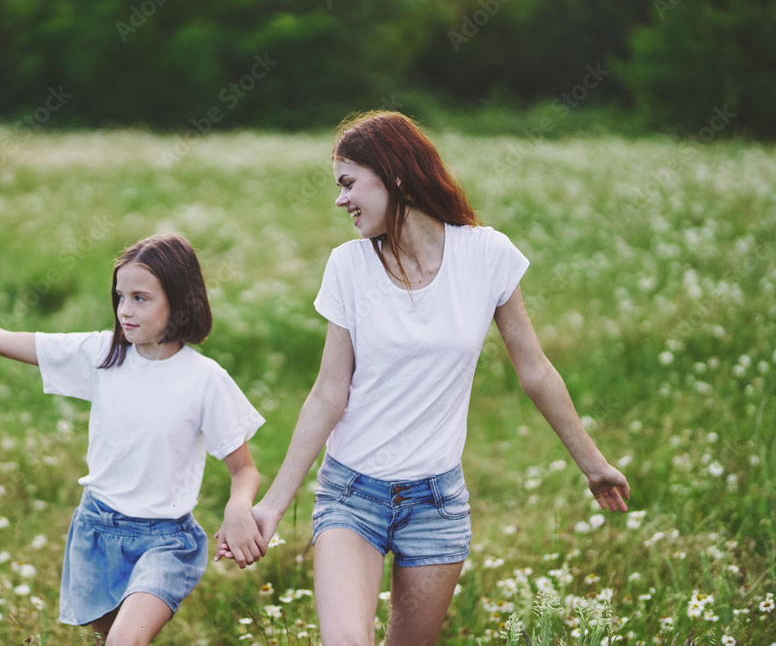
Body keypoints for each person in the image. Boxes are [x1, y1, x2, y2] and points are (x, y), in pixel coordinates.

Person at [227, 111, 631, 644]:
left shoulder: (486, 255)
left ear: (393, 173)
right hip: (351, 493)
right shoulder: (348, 267)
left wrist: (594, 464)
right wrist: (273, 506)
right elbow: (328, 393)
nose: (340, 200)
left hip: (437, 503)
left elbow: (535, 371)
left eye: (348, 184)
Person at [0, 233, 267, 645]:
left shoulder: (206, 380)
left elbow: (244, 470)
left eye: (141, 298)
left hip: (165, 541)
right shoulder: (103, 355)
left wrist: (238, 505)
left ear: (180, 300)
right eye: (120, 296)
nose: (124, 309)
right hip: (97, 530)